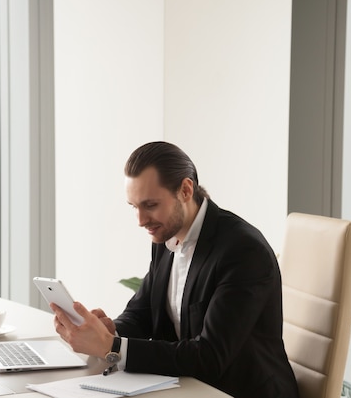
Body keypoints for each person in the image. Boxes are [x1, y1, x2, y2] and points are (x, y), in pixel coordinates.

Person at [50, 141, 299, 398]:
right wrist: (110, 330)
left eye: (150, 205)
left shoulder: (242, 251)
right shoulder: (165, 237)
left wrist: (112, 347)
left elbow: (209, 357)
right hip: (188, 388)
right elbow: (143, 312)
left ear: (185, 190)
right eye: (134, 207)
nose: (140, 220)